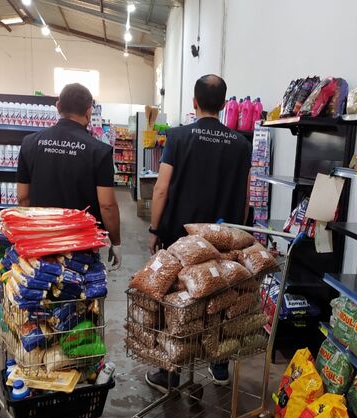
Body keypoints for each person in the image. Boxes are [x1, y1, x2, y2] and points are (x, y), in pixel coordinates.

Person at [145, 74, 252, 393]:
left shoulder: (178, 138)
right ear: (223, 105)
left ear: (194, 103)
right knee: (219, 297)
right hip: (223, 239)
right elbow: (245, 196)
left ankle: (172, 372)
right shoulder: (241, 144)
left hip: (181, 239)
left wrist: (154, 229)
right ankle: (218, 366)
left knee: (179, 301)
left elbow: (161, 189)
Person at [16, 83, 121, 270]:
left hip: (43, 240)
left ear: (58, 107)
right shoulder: (100, 151)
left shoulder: (29, 143)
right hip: (82, 245)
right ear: (89, 112)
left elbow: (23, 197)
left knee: (44, 291)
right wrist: (116, 242)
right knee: (80, 293)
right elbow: (107, 205)